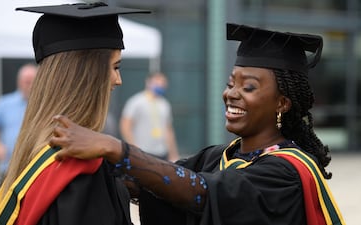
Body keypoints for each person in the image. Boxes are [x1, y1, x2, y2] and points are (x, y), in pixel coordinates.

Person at [48, 23, 345, 225]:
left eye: (249, 87)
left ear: (282, 103)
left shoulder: (285, 173)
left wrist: (116, 149)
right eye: (231, 84)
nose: (231, 94)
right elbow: (158, 183)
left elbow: (201, 192)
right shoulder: (219, 156)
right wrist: (89, 171)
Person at [0, 3, 149, 225]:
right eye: (115, 67)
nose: (118, 80)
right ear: (86, 76)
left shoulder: (37, 156)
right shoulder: (80, 171)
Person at [0, 63, 37, 186]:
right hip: (9, 168)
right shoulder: (4, 103)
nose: (28, 86)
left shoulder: (45, 105)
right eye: (26, 81)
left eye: (31, 81)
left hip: (35, 168)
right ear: (19, 82)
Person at [120, 72, 179, 161]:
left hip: (162, 152)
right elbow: (125, 126)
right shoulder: (136, 102)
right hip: (143, 152)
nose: (160, 85)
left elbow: (168, 130)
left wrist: (173, 153)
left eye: (163, 83)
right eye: (157, 82)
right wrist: (134, 149)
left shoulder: (165, 104)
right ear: (148, 82)